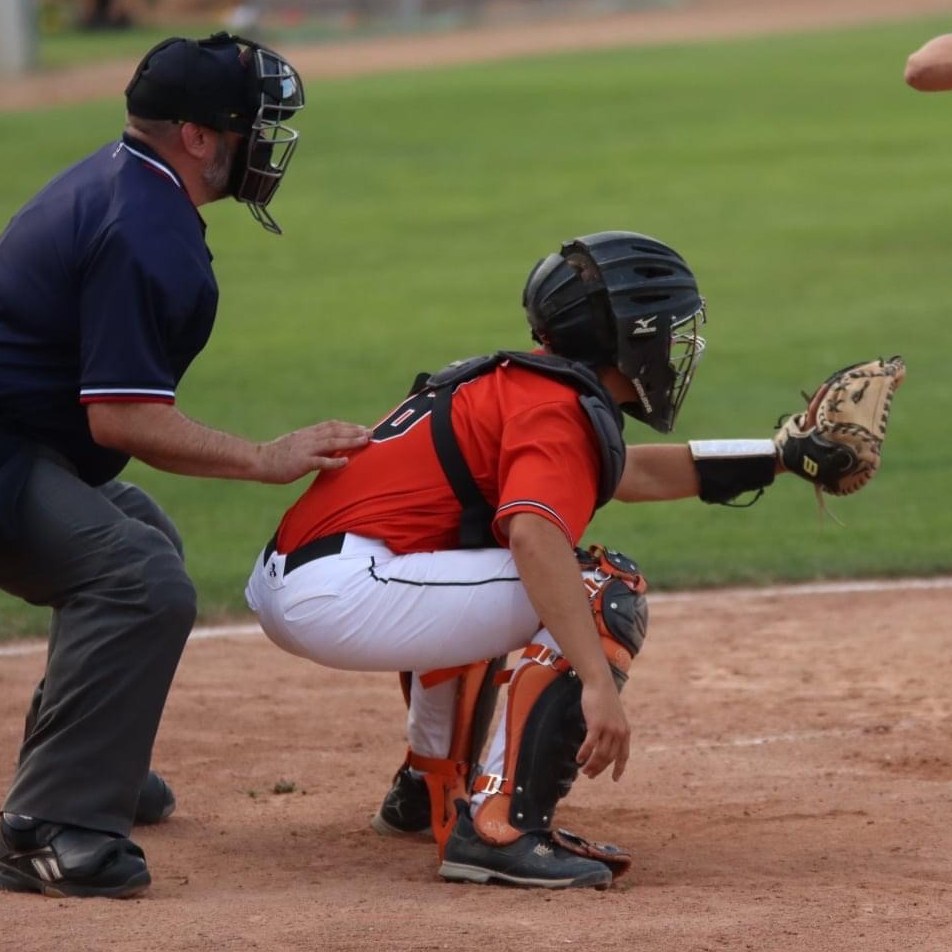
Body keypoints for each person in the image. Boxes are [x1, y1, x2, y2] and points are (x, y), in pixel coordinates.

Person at [245, 230, 784, 889]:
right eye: (667, 331)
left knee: (486, 574)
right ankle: (501, 828)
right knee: (593, 588)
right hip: (343, 588)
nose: (676, 347)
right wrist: (593, 680)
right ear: (627, 338)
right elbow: (534, 537)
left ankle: (429, 786)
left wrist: (781, 455)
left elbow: (623, 474)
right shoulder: (555, 408)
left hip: (312, 577)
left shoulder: (530, 386)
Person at [0, 33, 371, 899]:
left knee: (142, 533)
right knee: (138, 580)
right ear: (199, 137)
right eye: (256, 127)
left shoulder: (124, 181)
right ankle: (48, 828)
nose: (268, 144)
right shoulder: (142, 227)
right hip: (11, 449)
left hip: (21, 439)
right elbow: (123, 416)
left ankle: (88, 767)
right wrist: (263, 457)